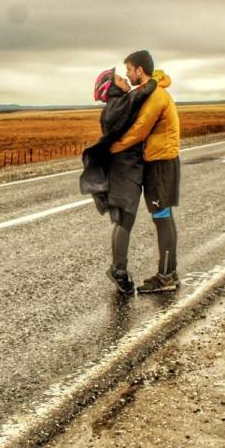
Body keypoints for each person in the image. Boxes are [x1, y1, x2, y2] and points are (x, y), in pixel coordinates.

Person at [80, 65, 171, 294]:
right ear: (110, 87)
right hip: (125, 170)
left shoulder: (116, 105)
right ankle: (118, 271)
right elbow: (138, 95)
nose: (123, 78)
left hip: (131, 167)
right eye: (119, 78)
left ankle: (119, 269)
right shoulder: (116, 105)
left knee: (124, 219)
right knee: (124, 219)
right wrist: (154, 80)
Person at [109, 50, 181, 294]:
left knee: (162, 217)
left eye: (129, 69)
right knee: (162, 216)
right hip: (158, 159)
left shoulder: (156, 95)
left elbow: (140, 130)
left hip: (161, 162)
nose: (127, 75)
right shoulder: (153, 91)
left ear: (140, 70)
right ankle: (168, 273)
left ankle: (167, 277)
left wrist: (112, 147)